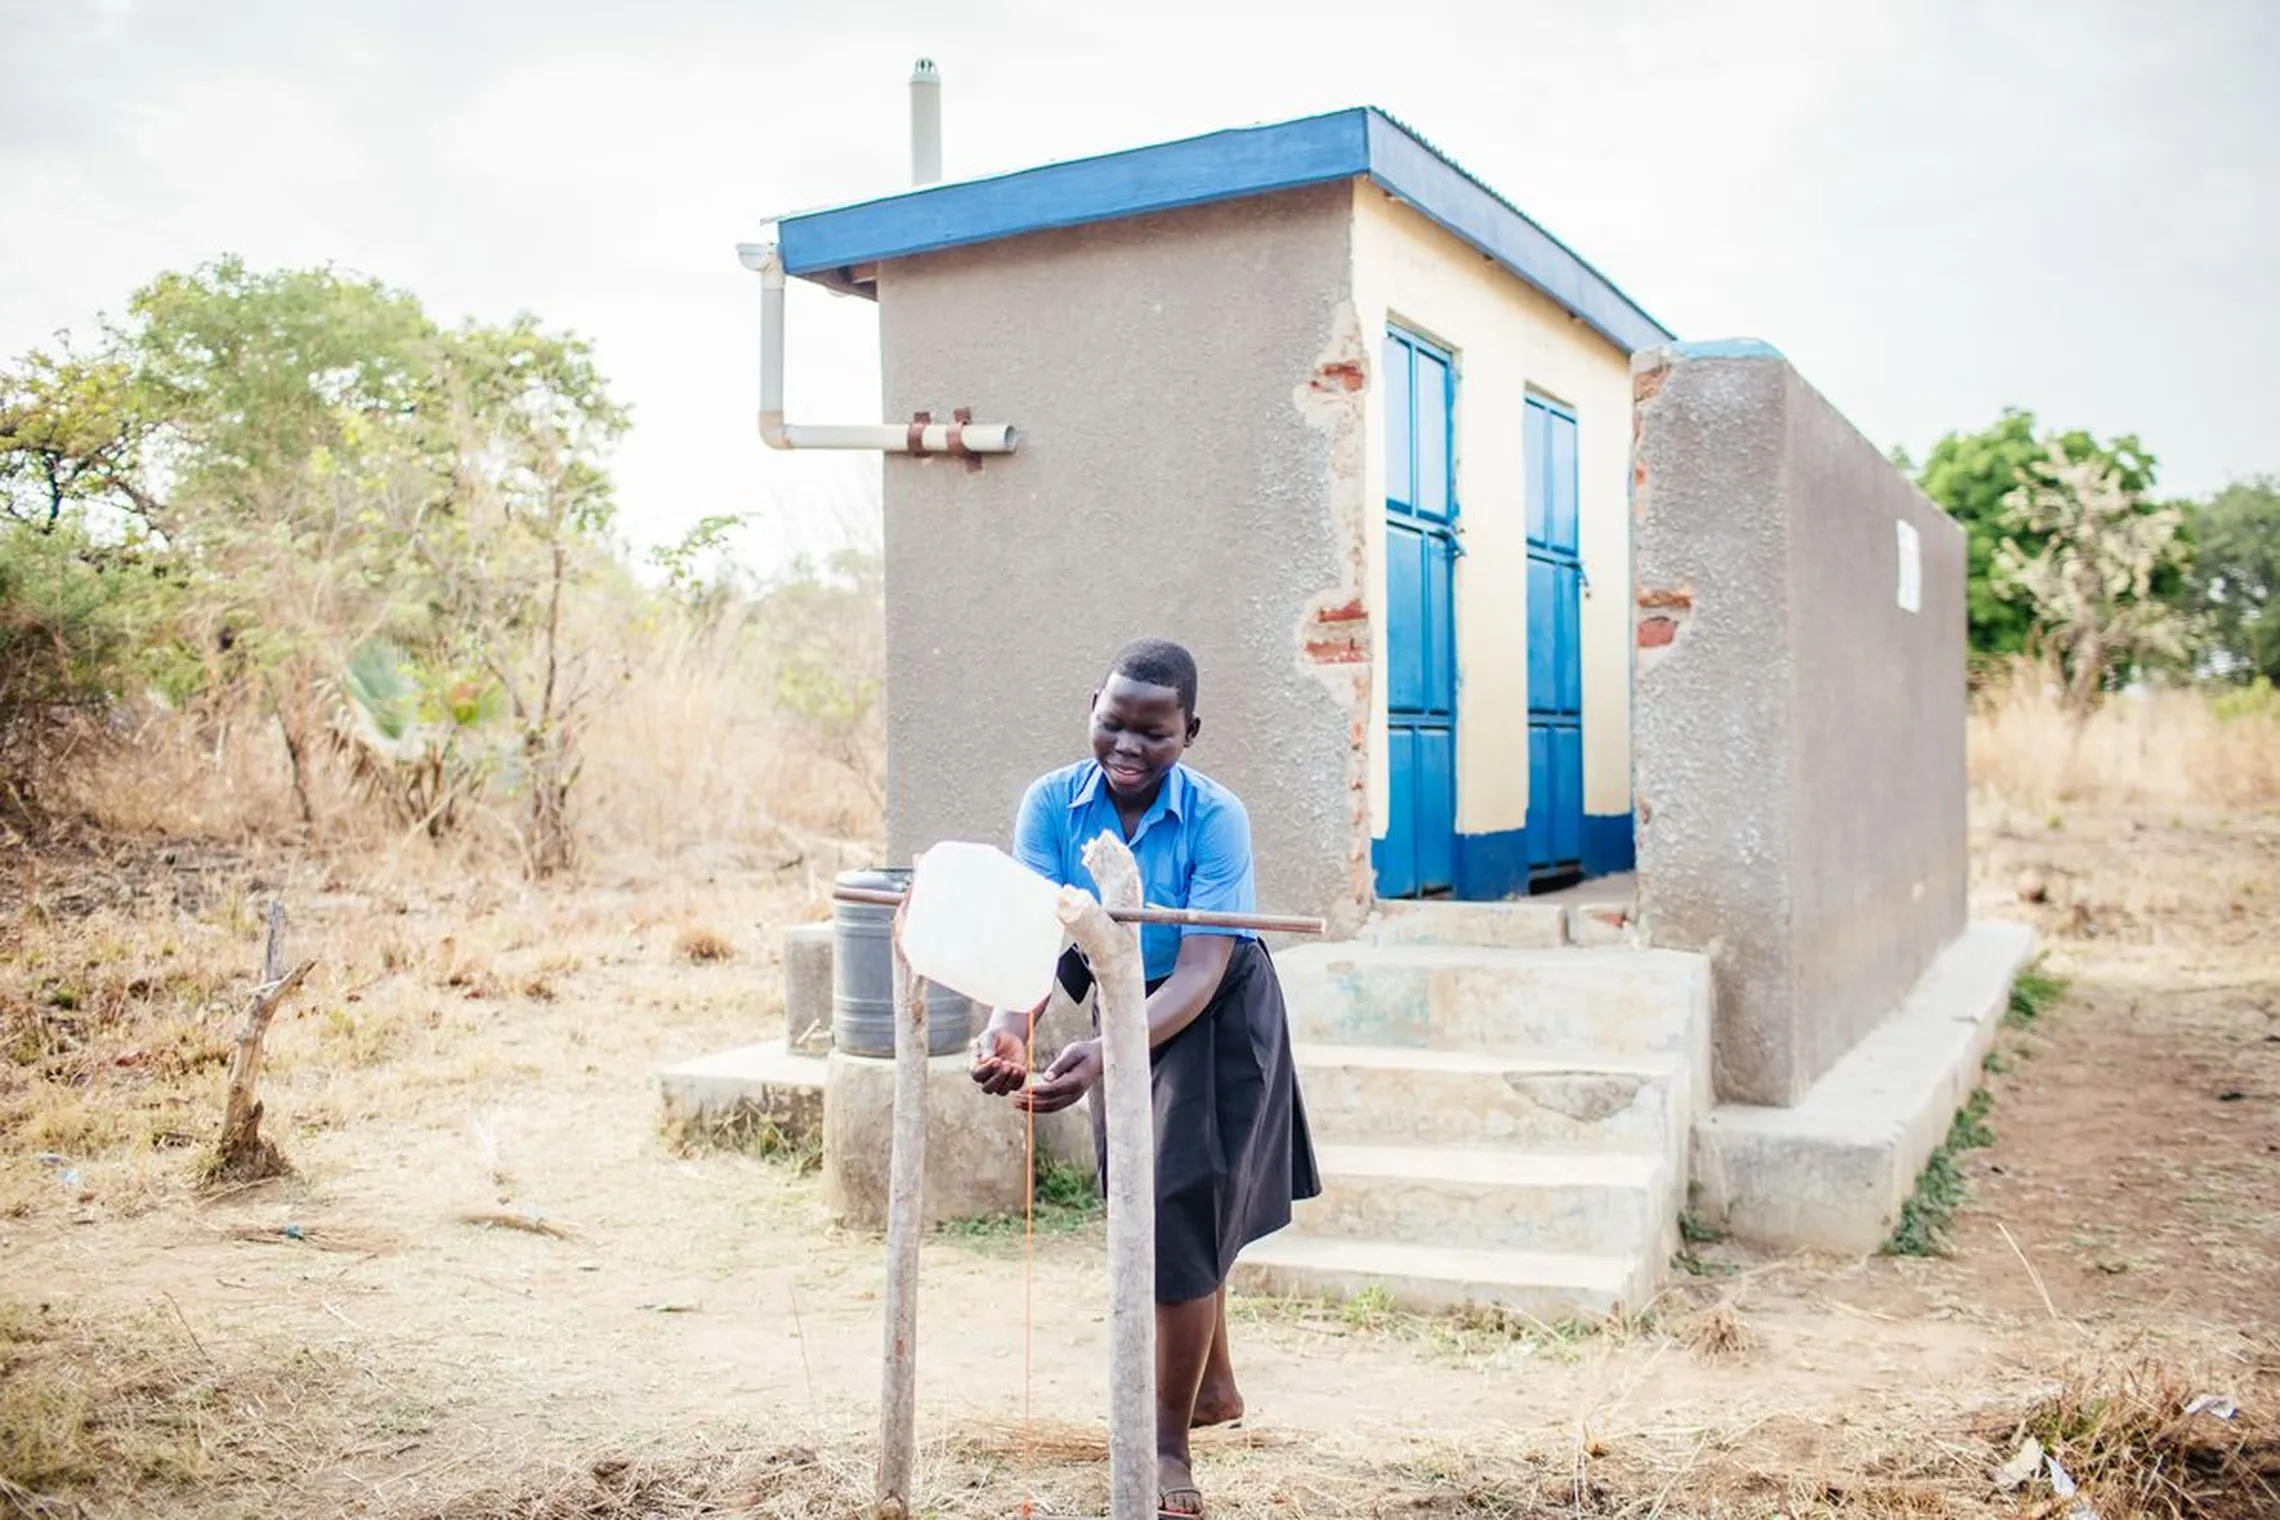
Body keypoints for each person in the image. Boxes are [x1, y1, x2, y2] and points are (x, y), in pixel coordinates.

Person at [970, 636, 1319, 1520]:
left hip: (1215, 1007)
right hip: (1122, 992)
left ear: (1189, 732)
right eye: (1113, 723)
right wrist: (1010, 1028)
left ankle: (1168, 1447)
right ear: (1092, 707)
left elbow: (1201, 972)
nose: (1128, 747)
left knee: (1175, 1200)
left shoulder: (1216, 817)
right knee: (1156, 1198)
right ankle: (1214, 1387)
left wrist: (1109, 1052)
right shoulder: (1051, 804)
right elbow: (1036, 941)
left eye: (1153, 733)